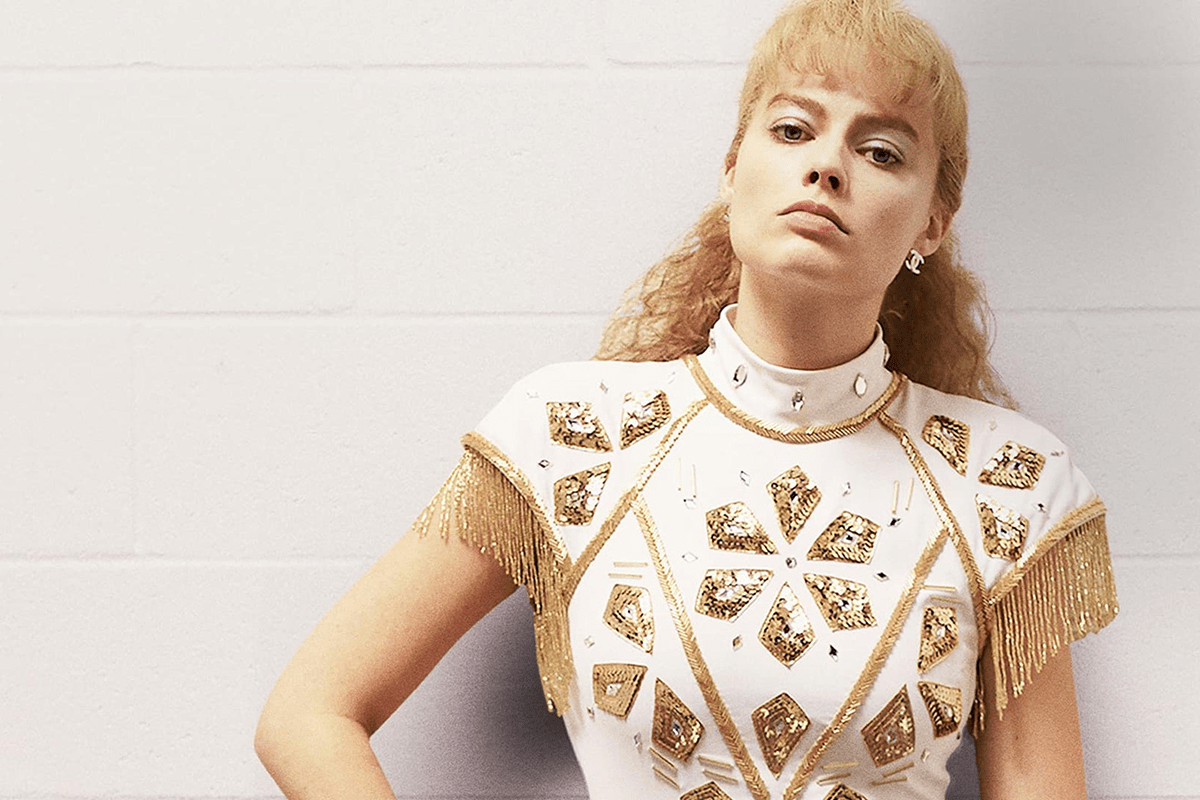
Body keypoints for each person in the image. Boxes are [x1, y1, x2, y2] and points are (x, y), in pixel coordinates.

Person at [254, 0, 1118, 797]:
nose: (826, 166)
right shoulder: (571, 435)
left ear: (932, 219)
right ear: (734, 165)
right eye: (793, 128)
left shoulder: (1010, 484)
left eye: (880, 149)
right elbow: (309, 715)